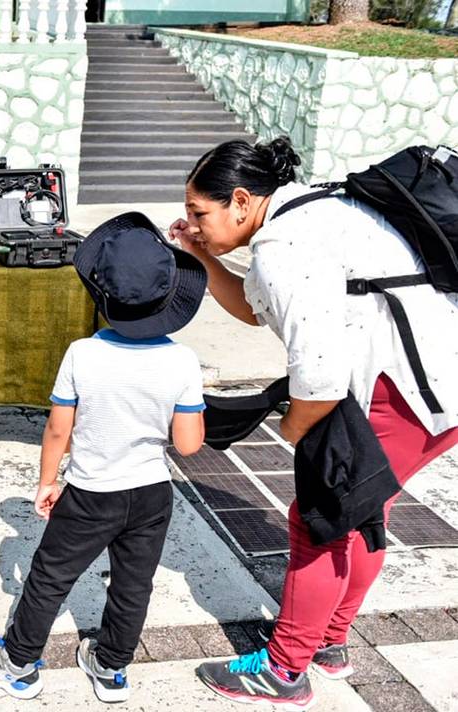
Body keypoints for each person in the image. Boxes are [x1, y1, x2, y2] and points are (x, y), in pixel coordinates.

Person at [178, 137, 458, 710]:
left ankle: (284, 670)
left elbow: (320, 377)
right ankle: (328, 642)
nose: (192, 222)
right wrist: (204, 256)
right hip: (435, 382)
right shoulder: (311, 207)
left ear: (238, 200)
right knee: (364, 513)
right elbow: (255, 310)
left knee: (319, 520)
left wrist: (295, 432)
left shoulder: (285, 245)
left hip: (402, 393)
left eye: (199, 213)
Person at [0, 212, 207, 702]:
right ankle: (112, 667)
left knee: (51, 577)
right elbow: (187, 444)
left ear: (103, 293)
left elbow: (58, 428)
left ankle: (18, 663)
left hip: (92, 491)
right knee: (134, 584)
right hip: (152, 494)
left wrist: (47, 481)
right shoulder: (181, 360)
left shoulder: (83, 353)